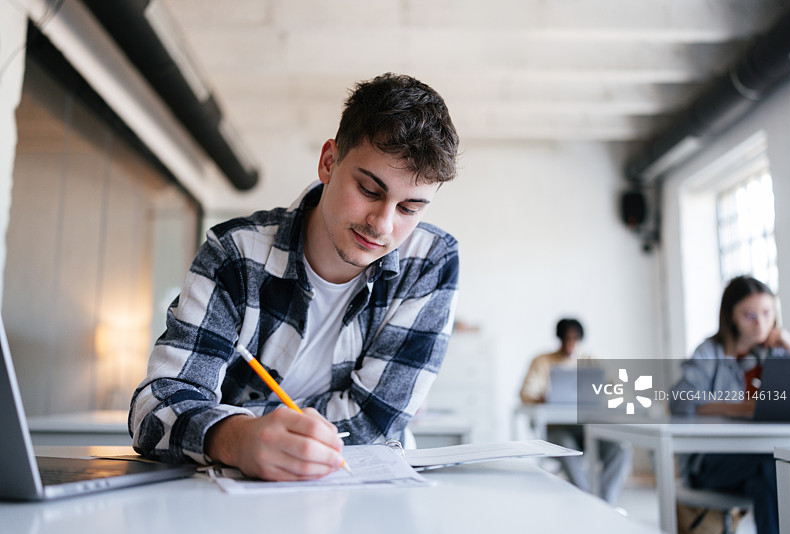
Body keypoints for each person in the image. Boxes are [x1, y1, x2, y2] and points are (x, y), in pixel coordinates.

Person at [129, 73, 460, 482]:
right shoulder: (234, 255)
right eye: (370, 190)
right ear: (328, 162)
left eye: (409, 208)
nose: (382, 224)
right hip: (237, 497)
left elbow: (378, 424)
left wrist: (232, 424)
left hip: (367, 490)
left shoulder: (430, 261)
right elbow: (155, 405)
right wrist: (238, 438)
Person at [670, 275, 790, 534]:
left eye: (767, 313)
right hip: (710, 462)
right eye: (749, 315)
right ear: (731, 317)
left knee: (775, 470)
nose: (760, 323)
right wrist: (743, 406)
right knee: (772, 467)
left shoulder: (778, 353)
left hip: (762, 459)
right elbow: (680, 400)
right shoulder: (710, 352)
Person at [519, 318, 631, 504]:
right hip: (556, 429)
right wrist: (544, 398)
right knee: (566, 445)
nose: (570, 343)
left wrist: (597, 396)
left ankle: (605, 503)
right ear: (559, 339)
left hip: (588, 428)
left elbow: (619, 390)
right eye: (566, 338)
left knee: (619, 449)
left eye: (574, 339)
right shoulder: (542, 362)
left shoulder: (591, 361)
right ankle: (586, 499)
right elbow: (525, 393)